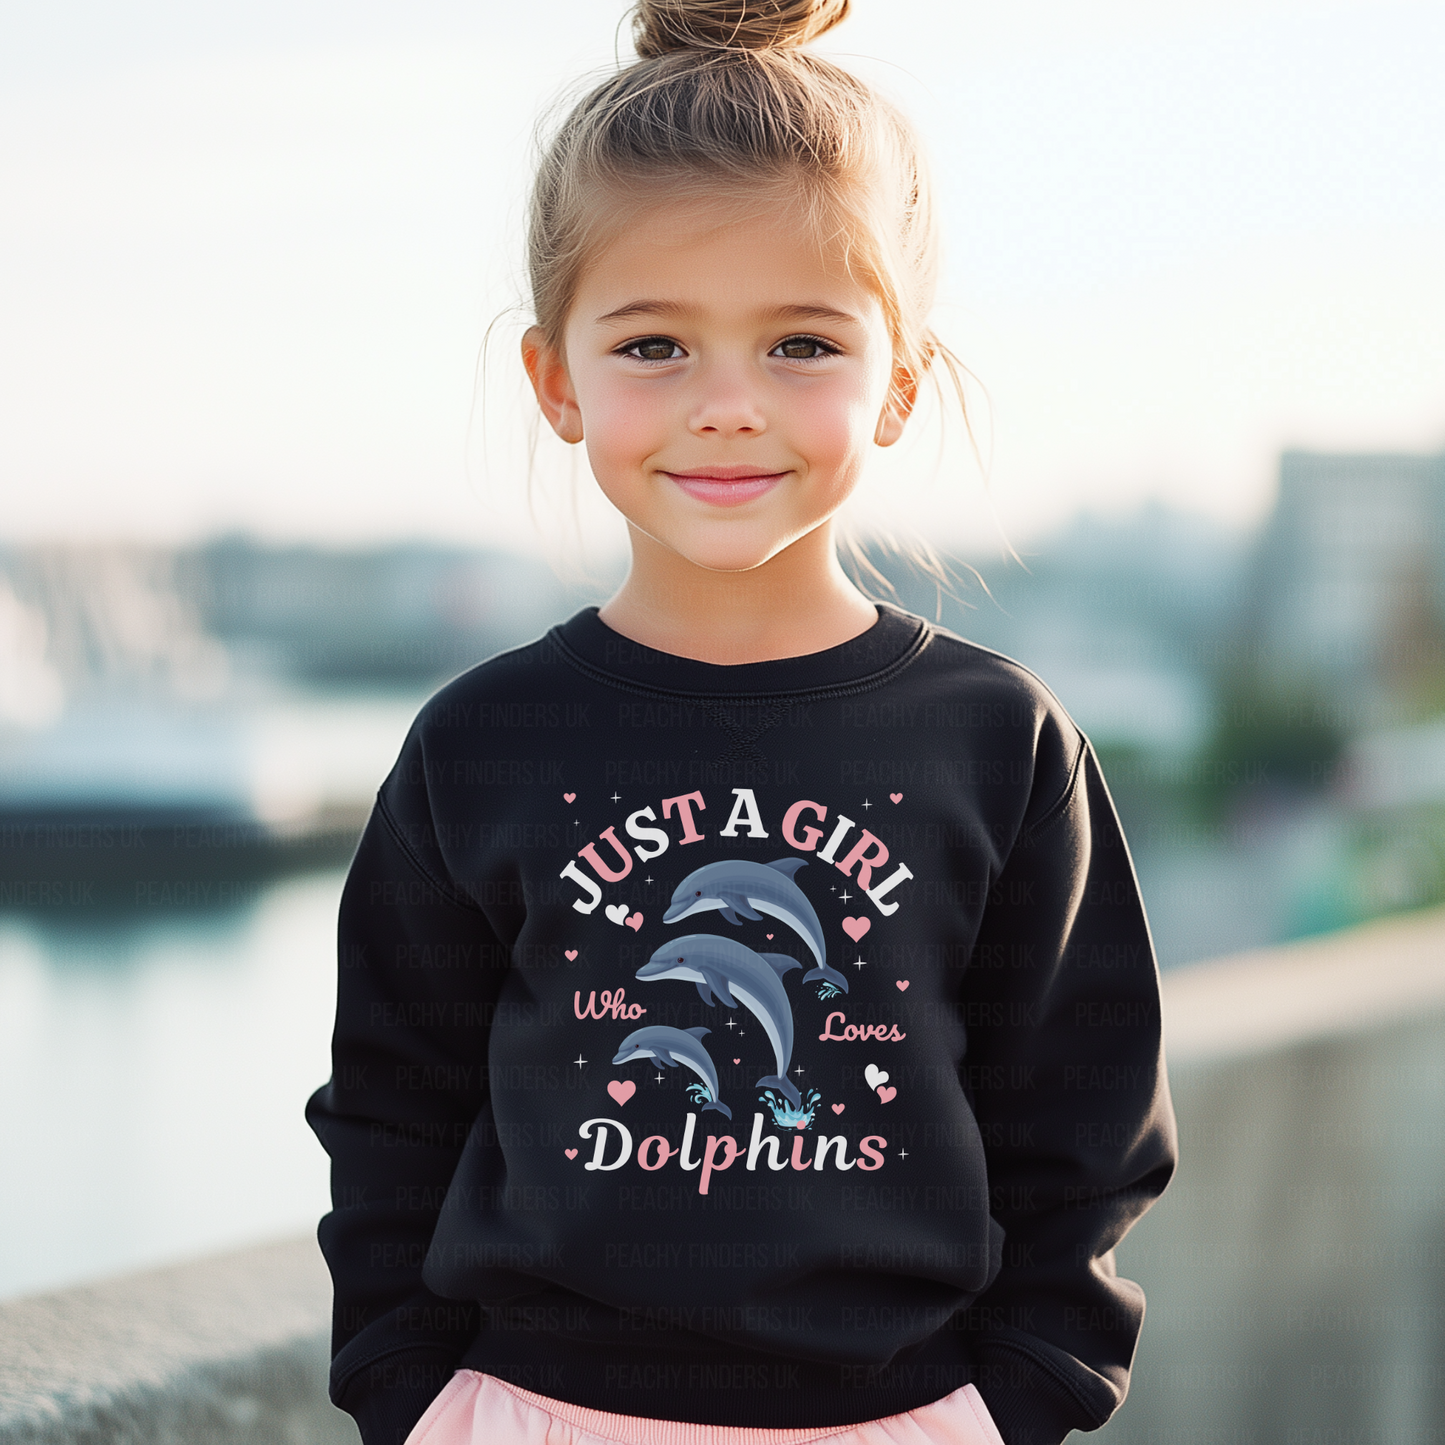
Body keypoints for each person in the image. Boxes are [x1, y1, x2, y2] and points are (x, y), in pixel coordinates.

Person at [306, 3, 1177, 1444]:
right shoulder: (480, 743)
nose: (725, 406)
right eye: (652, 343)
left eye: (800, 345)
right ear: (554, 383)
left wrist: (1017, 1399)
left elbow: (1083, 1119)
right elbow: (393, 1109)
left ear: (896, 380)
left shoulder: (998, 741)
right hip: (530, 1414)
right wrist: (411, 1393)